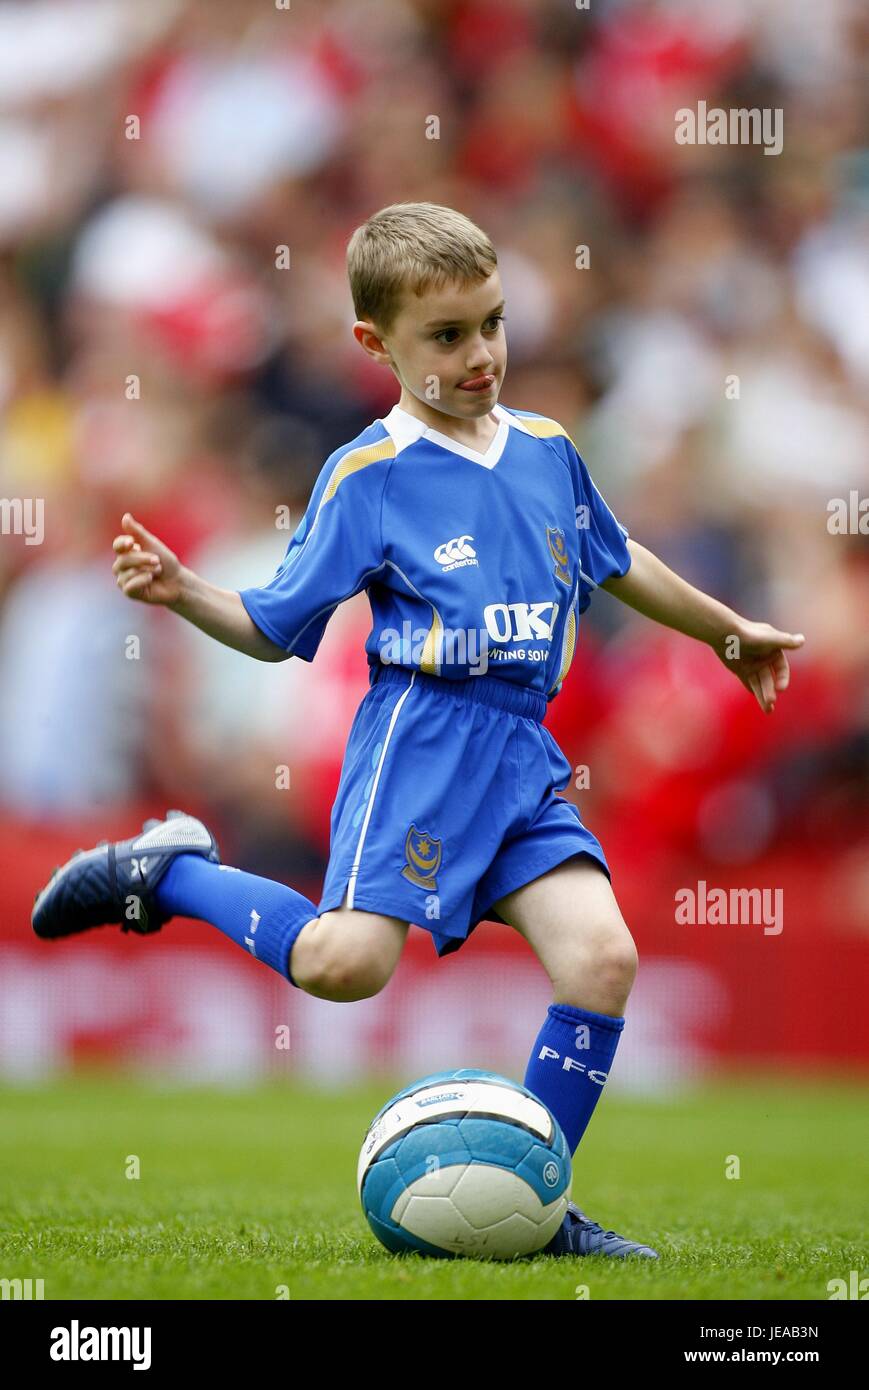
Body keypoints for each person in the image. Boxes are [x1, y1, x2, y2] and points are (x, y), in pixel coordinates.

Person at [32, 202, 804, 1259]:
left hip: (520, 752)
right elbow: (274, 628)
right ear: (375, 343)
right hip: (422, 743)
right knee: (343, 966)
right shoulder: (367, 475)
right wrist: (182, 591)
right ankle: (171, 873)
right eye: (446, 336)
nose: (479, 354)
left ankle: (540, 1207)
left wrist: (725, 631)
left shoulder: (547, 449)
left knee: (601, 961)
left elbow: (618, 559)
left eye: (491, 324)